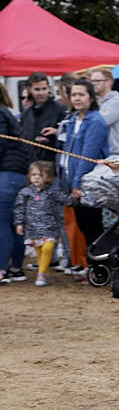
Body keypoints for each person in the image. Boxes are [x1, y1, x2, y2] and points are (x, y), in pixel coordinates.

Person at [60, 78, 109, 252]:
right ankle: (91, 264)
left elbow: (88, 156)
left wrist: (77, 183)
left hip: (87, 183)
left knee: (93, 227)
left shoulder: (96, 121)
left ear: (91, 97)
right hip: (71, 180)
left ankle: (100, 263)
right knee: (83, 227)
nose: (77, 98)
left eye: (81, 94)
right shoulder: (72, 119)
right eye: (74, 95)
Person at [12, 160, 67, 287]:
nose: (37, 177)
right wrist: (19, 223)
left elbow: (65, 200)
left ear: (48, 178)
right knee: (39, 252)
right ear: (29, 176)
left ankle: (41, 274)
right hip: (32, 229)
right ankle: (44, 272)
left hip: (49, 227)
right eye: (34, 174)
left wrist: (77, 199)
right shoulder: (25, 192)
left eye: (41, 175)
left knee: (47, 248)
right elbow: (19, 209)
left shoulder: (52, 192)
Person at [0, 86, 27, 283]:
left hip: (8, 172)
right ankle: (16, 267)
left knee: (2, 222)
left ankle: (1, 269)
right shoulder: (5, 111)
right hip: (16, 172)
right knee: (14, 222)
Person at [17, 71, 65, 173]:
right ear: (29, 90)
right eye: (37, 89)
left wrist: (55, 134)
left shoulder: (60, 110)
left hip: (52, 165)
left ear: (49, 88)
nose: (41, 93)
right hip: (31, 166)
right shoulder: (26, 114)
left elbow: (68, 138)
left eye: (44, 89)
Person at [87, 67, 119, 170]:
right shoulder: (94, 102)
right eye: (91, 81)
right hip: (97, 154)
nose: (93, 84)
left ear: (109, 82)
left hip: (113, 155)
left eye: (97, 81)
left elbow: (98, 124)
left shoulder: (116, 102)